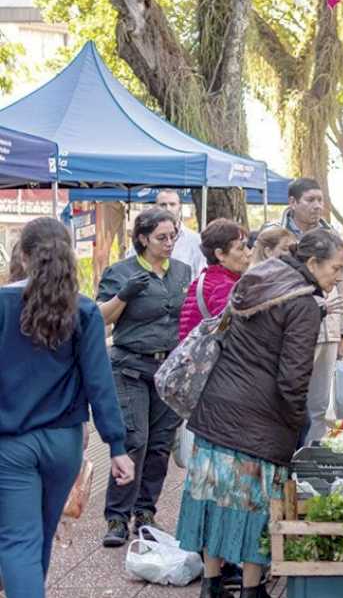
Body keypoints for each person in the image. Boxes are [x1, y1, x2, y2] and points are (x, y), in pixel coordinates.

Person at [177, 228, 343, 598]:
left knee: (213, 499)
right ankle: (252, 590)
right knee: (254, 508)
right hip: (258, 422)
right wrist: (293, 424)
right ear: (313, 262)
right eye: (336, 269)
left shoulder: (258, 276)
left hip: (216, 408)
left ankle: (211, 584)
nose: (338, 278)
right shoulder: (303, 304)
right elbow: (293, 379)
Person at [0, 218, 135, 598]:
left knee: (18, 540)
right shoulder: (84, 310)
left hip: (11, 443)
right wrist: (117, 447)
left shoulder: (3, 306)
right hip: (64, 443)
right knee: (39, 535)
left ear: (23, 256)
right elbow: (99, 382)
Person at [98, 208, 192, 547]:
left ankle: (146, 511)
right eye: (161, 238)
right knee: (134, 439)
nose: (169, 243)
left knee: (160, 443)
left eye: (173, 236)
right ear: (142, 238)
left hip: (168, 369)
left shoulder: (182, 271)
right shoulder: (120, 272)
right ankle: (116, 517)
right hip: (130, 366)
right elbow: (101, 319)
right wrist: (124, 294)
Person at [265, 177, 343, 444]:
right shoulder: (275, 235)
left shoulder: (333, 236)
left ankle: (309, 459)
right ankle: (285, 455)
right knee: (289, 397)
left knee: (319, 405)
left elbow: (342, 283)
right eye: (310, 200)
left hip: (328, 330)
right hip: (289, 328)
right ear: (292, 202)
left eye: (320, 200)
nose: (317, 206)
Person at [178, 219, 250, 340]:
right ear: (220, 254)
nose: (248, 253)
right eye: (241, 248)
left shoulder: (205, 278)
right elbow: (232, 334)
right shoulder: (224, 286)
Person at [126, 189, 206, 280]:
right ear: (155, 207)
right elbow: (130, 267)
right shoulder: (144, 237)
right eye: (163, 205)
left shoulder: (195, 240)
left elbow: (201, 274)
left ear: (180, 207)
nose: (168, 208)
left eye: (172, 204)